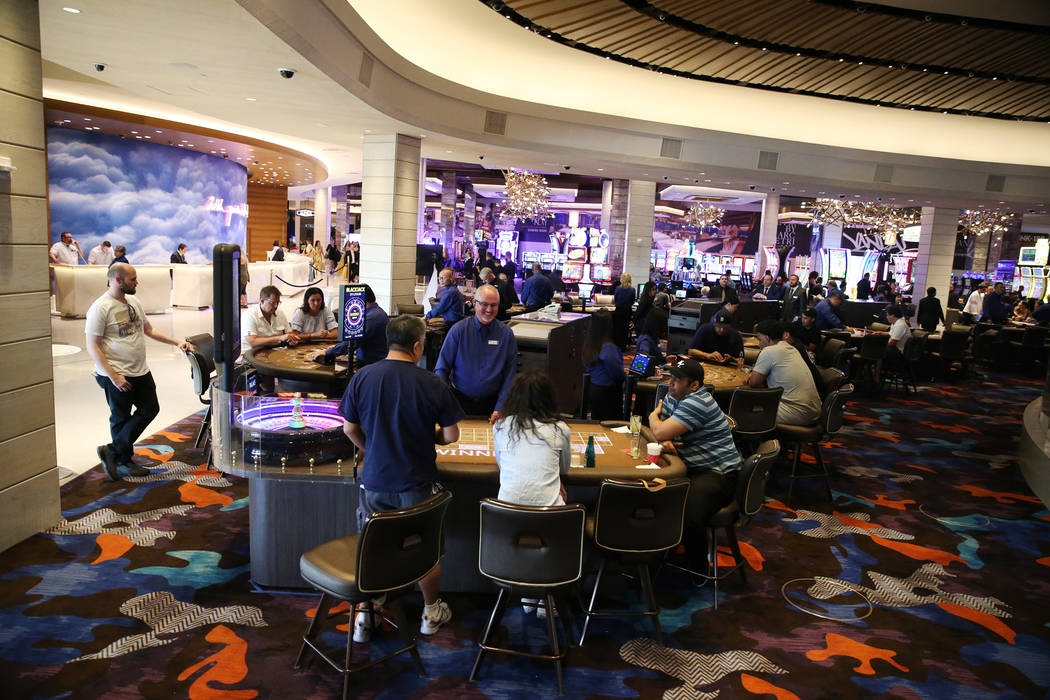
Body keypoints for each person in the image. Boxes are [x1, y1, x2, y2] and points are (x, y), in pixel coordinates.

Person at [339, 315, 463, 639]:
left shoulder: (362, 377)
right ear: (418, 346)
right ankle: (431, 612)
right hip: (417, 484)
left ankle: (365, 616)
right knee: (426, 550)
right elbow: (451, 436)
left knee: (373, 547)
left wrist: (374, 447)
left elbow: (349, 429)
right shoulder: (432, 383)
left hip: (375, 481)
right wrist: (429, 435)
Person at [85, 263, 191, 481]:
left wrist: (177, 341)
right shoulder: (101, 307)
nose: (136, 283)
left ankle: (112, 451)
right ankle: (123, 461)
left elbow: (148, 330)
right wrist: (114, 377)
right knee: (120, 417)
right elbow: (92, 345)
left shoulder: (133, 301)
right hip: (116, 373)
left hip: (140, 370)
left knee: (150, 409)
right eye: (132, 279)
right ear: (117, 280)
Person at [648, 358, 740, 570]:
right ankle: (664, 550)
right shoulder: (673, 396)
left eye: (677, 380)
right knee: (656, 495)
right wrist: (664, 435)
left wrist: (654, 417)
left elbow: (659, 429)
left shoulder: (698, 401)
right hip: (693, 466)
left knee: (688, 515)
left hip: (718, 472)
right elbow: (662, 434)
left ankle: (698, 569)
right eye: (670, 378)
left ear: (694, 386)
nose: (670, 383)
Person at [435, 284, 518, 422]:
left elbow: (510, 375)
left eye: (494, 305)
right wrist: (441, 403)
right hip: (459, 404)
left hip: (493, 407)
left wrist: (500, 407)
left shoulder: (506, 334)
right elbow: (442, 369)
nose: (489, 310)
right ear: (474, 303)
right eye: (484, 304)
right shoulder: (458, 331)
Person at [493, 369, 570, 508]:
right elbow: (563, 469)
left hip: (505, 517)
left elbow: (502, 465)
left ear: (513, 398)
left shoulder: (500, 426)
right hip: (551, 517)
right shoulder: (561, 428)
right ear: (548, 399)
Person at [747, 319, 821, 426]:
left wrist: (754, 377)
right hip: (814, 411)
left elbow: (754, 383)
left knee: (746, 408)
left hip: (797, 413)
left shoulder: (769, 351)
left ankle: (759, 441)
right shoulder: (792, 348)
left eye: (760, 339)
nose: (759, 344)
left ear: (767, 338)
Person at [316, 285, 389, 366]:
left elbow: (354, 341)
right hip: (374, 361)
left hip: (371, 364)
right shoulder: (377, 312)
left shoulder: (371, 318)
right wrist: (336, 348)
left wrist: (328, 352)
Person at [582, 310, 624, 420]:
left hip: (594, 390)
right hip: (609, 393)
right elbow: (617, 374)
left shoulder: (589, 346)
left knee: (598, 425)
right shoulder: (609, 348)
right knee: (612, 426)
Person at [635, 292, 670, 365]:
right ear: (657, 325)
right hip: (650, 374)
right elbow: (640, 365)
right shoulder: (645, 342)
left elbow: (657, 357)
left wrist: (666, 359)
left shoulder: (654, 337)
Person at [613, 272, 636, 349]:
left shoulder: (618, 288)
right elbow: (632, 301)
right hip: (627, 311)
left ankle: (617, 345)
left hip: (618, 311)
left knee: (617, 329)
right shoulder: (632, 290)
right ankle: (623, 346)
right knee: (625, 329)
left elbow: (615, 300)